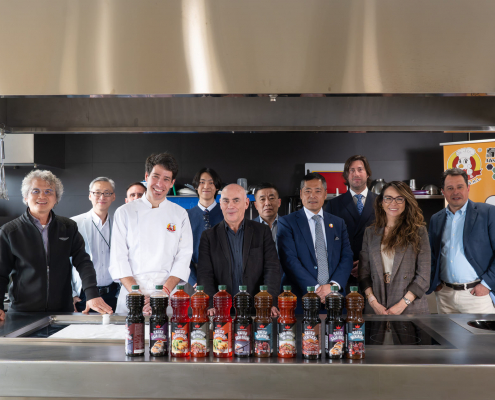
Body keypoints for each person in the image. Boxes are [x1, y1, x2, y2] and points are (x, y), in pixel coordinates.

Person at [0, 170, 112, 320]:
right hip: (23, 312)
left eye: (48, 191)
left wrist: (92, 294)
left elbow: (83, 262)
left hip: (62, 312)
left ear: (56, 199)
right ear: (26, 197)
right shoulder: (10, 231)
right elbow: (1, 273)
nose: (42, 196)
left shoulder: (68, 227)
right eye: (35, 191)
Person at [109, 153, 193, 314]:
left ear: (172, 183)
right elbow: (118, 259)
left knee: (167, 331)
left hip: (168, 296)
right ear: (147, 177)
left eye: (166, 179)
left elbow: (183, 258)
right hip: (132, 295)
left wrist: (162, 294)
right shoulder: (124, 212)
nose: (160, 184)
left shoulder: (180, 214)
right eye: (155, 176)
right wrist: (138, 296)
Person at [197, 184, 281, 316]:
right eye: (226, 201)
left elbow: (272, 268)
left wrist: (269, 301)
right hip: (221, 311)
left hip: (259, 309)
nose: (230, 206)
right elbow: (204, 274)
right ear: (220, 204)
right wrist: (211, 304)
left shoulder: (262, 231)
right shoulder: (208, 236)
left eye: (236, 200)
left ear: (246, 203)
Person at [277, 173, 353, 310]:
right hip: (301, 298)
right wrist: (316, 289)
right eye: (308, 191)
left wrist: (332, 286)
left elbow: (347, 257)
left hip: (334, 298)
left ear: (325, 194)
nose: (312, 196)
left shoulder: (338, 223)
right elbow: (289, 260)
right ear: (301, 194)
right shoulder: (287, 222)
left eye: (318, 191)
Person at [427, 168, 495, 314]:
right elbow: (431, 255)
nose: (455, 192)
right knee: (444, 331)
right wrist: (436, 283)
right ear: (443, 192)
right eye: (450, 188)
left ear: (468, 188)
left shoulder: (488, 213)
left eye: (460, 187)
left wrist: (486, 285)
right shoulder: (436, 219)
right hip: (445, 296)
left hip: (476, 295)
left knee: (482, 331)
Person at [358, 181, 430, 315]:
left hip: (410, 307)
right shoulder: (370, 233)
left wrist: (402, 304)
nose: (393, 203)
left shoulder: (419, 232)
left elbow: (424, 275)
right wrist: (373, 302)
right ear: (381, 202)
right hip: (376, 306)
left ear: (406, 202)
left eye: (399, 199)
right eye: (388, 198)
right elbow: (363, 273)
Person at [325, 155, 377, 291]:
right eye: (351, 170)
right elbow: (329, 242)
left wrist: (366, 263)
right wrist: (346, 264)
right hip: (343, 275)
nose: (356, 174)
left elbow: (387, 239)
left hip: (374, 273)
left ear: (367, 173)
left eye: (360, 169)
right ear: (346, 175)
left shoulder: (381, 203)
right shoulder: (333, 205)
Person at [71, 177, 120, 313]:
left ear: (113, 196)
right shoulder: (74, 224)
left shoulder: (119, 224)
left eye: (107, 193)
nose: (102, 197)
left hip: (113, 294)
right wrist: (71, 294)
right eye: (97, 192)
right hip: (83, 295)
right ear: (90, 196)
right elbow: (64, 262)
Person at [186, 168, 223, 287]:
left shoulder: (226, 214)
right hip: (193, 276)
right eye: (202, 182)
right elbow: (181, 252)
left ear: (217, 187)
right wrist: (194, 280)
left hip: (224, 276)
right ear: (196, 186)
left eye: (211, 182)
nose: (206, 186)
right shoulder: (185, 216)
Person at [253, 182, 281, 251]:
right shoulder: (248, 228)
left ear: (279, 202)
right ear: (256, 205)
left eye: (271, 198)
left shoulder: (289, 225)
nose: (267, 203)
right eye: (262, 199)